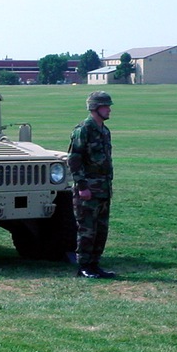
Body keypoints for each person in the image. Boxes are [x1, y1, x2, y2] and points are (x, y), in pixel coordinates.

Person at [68, 91, 116, 279]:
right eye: (106, 106)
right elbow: (74, 160)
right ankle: (84, 266)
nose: (109, 110)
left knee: (101, 230)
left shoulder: (104, 130)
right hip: (88, 190)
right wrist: (82, 186)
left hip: (103, 189)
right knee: (87, 230)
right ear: (95, 108)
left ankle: (95, 265)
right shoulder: (83, 130)